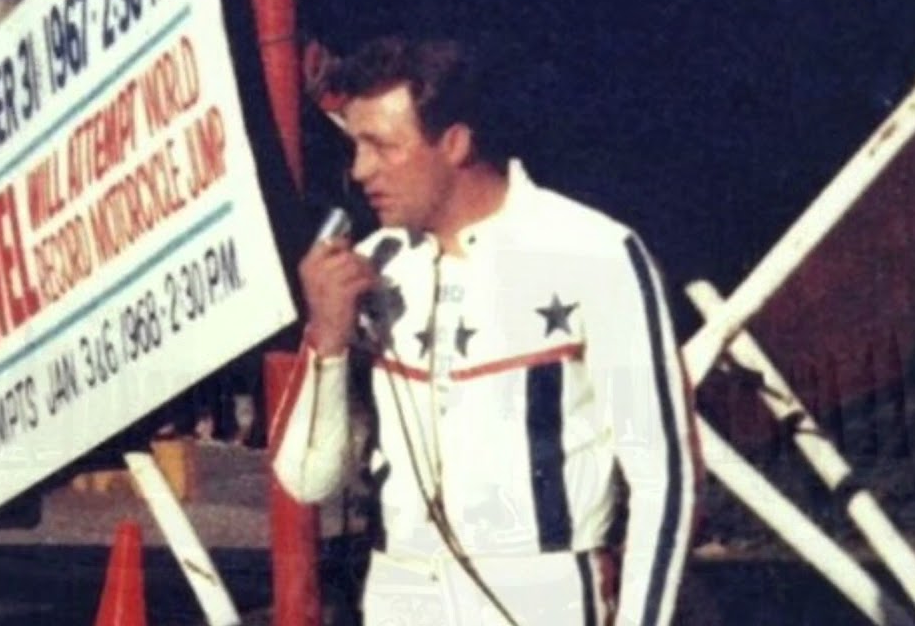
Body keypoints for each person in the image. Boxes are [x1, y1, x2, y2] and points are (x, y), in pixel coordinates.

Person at [273, 36, 700, 626]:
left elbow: (663, 479)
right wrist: (328, 340)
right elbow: (307, 478)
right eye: (357, 145)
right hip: (402, 593)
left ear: (455, 142)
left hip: (539, 594)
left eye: (381, 146)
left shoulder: (592, 251)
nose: (359, 169)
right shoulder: (373, 265)